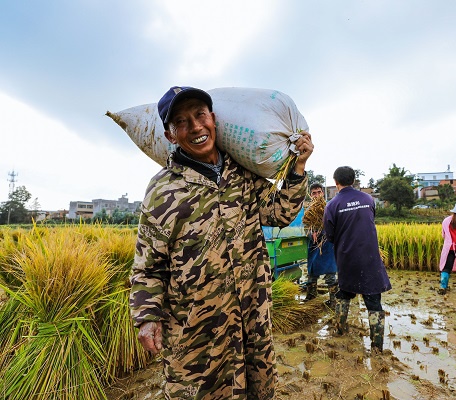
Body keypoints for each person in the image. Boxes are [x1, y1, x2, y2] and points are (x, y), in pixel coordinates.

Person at [129, 86, 313, 400]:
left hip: (252, 320)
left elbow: (280, 214)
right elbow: (148, 267)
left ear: (213, 118)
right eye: (182, 122)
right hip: (198, 333)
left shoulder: (243, 175)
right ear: (171, 136)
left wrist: (298, 168)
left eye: (200, 114)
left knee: (258, 390)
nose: (196, 126)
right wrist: (147, 318)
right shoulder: (163, 189)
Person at [323, 166, 391, 353]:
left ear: (336, 183)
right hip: (369, 257)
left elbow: (329, 235)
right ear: (353, 180)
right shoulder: (368, 199)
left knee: (344, 293)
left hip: (347, 258)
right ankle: (377, 347)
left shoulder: (332, 205)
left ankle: (338, 330)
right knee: (374, 302)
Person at [304, 183, 338, 307]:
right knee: (312, 272)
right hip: (314, 246)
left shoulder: (330, 207)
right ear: (310, 195)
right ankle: (311, 296)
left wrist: (324, 232)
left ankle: (333, 301)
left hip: (328, 245)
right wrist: (310, 233)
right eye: (314, 193)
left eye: (319, 192)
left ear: (323, 193)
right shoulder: (308, 211)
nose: (316, 195)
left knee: (330, 273)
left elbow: (335, 226)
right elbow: (306, 226)